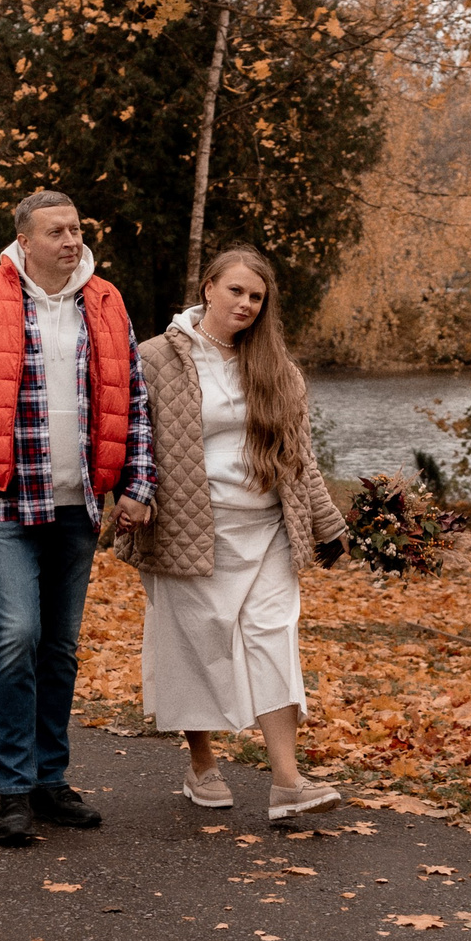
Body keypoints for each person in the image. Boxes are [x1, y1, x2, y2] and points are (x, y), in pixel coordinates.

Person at [0, 189, 154, 846]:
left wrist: (137, 483)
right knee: (18, 633)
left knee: (60, 647)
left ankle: (50, 779)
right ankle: (14, 789)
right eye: (57, 231)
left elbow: (132, 398)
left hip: (79, 504)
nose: (71, 241)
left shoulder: (105, 301)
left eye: (76, 229)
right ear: (24, 239)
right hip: (2, 500)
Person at [122, 245, 351, 823]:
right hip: (188, 528)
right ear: (208, 288)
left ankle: (287, 782)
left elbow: (300, 455)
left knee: (275, 639)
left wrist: (328, 523)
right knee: (196, 647)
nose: (247, 304)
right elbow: (130, 439)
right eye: (236, 291)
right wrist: (132, 494)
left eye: (256, 297)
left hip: (267, 526)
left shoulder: (276, 366)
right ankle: (202, 764)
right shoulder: (154, 358)